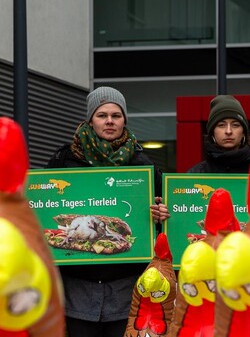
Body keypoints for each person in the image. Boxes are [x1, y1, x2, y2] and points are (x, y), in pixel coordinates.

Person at [45, 86, 169, 337]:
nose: (110, 121)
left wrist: (161, 214)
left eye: (116, 115)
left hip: (125, 288)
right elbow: (46, 206)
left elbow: (159, 224)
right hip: (77, 289)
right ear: (90, 120)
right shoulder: (63, 160)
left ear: (124, 120)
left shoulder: (142, 164)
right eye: (102, 115)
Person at [188, 95, 250, 173]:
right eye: (221, 125)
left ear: (243, 133)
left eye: (235, 125)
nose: (228, 131)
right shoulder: (197, 173)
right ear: (212, 132)